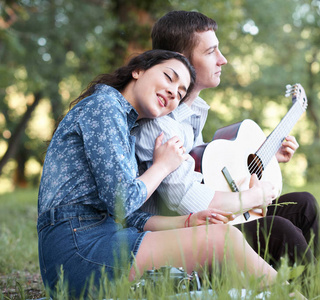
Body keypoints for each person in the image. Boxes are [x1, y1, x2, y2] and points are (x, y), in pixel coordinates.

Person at [131, 11, 320, 298]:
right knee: (278, 229)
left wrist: (265, 163)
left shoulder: (191, 115)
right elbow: (188, 201)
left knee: (304, 204)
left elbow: (207, 177)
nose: (222, 59)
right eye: (212, 51)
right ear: (181, 60)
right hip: (178, 237)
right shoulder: (160, 122)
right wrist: (254, 197)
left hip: (209, 219)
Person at [36, 49, 280, 298]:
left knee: (218, 245)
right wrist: (163, 166)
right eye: (169, 77)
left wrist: (186, 222)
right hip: (78, 250)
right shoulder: (104, 108)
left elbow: (127, 216)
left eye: (181, 93)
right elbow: (122, 201)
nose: (174, 92)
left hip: (99, 239)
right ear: (138, 70)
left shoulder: (123, 123)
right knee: (222, 239)